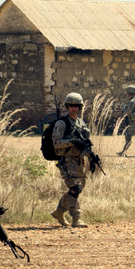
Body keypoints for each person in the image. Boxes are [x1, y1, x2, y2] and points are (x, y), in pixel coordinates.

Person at [50, 92, 92, 228]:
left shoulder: (80, 123)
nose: (74, 108)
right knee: (75, 187)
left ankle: (59, 211)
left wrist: (91, 159)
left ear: (80, 107)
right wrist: (72, 142)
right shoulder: (62, 123)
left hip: (79, 160)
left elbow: (86, 142)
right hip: (67, 159)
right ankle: (76, 218)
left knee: (78, 189)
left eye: (76, 106)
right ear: (67, 107)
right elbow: (56, 143)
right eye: (71, 106)